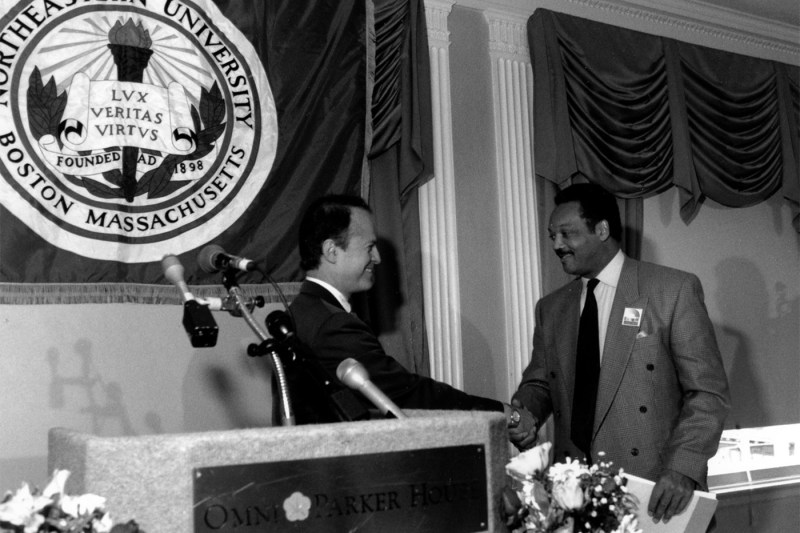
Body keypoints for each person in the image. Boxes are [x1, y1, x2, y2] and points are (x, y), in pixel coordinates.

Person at [508, 183, 729, 525]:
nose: (556, 245)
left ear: (602, 230)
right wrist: (527, 413)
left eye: (566, 233)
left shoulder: (672, 290)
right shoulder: (550, 309)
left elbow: (708, 394)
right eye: (552, 235)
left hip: (656, 493)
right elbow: (540, 382)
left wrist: (683, 468)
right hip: (576, 498)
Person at [289, 194, 529, 426]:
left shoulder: (304, 309)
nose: (378, 257)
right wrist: (504, 414)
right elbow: (408, 394)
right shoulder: (333, 324)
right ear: (332, 251)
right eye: (369, 246)